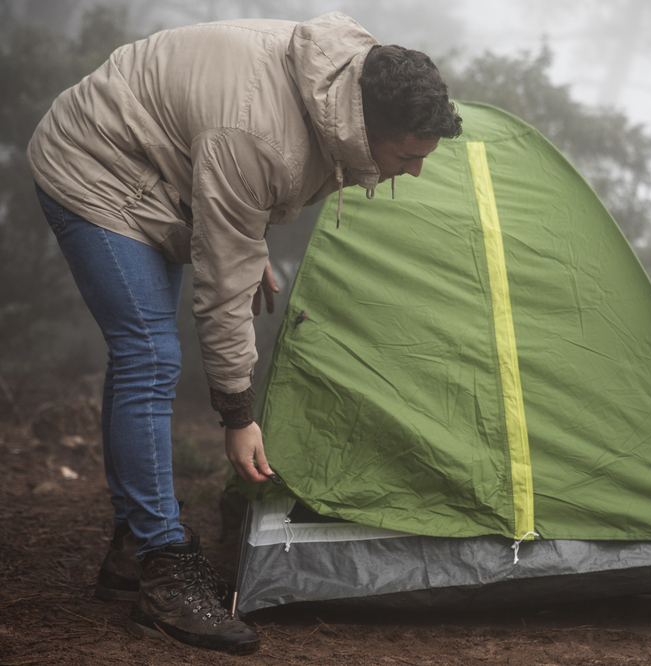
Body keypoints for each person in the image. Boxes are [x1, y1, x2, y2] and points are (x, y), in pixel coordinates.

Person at [27, 12, 462, 654]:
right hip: (97, 166)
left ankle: (132, 546)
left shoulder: (355, 76)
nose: (415, 172)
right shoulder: (260, 137)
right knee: (149, 353)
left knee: (141, 356)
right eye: (407, 156)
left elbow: (231, 176)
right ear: (367, 128)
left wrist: (242, 222)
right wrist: (237, 413)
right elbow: (223, 285)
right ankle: (162, 571)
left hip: (171, 162)